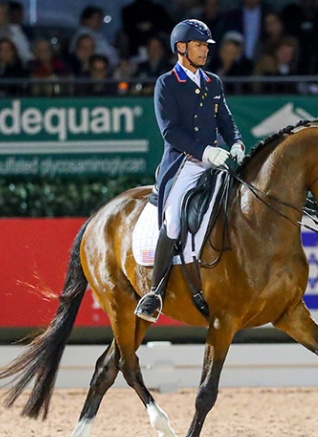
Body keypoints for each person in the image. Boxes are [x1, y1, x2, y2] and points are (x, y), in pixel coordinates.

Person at [134, 19, 245, 323]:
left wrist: (236, 142)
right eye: (198, 45)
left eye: (206, 46)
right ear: (181, 48)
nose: (205, 51)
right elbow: (170, 132)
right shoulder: (167, 84)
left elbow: (226, 120)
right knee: (172, 222)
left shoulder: (213, 82)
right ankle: (154, 292)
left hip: (217, 160)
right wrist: (205, 151)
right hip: (184, 164)